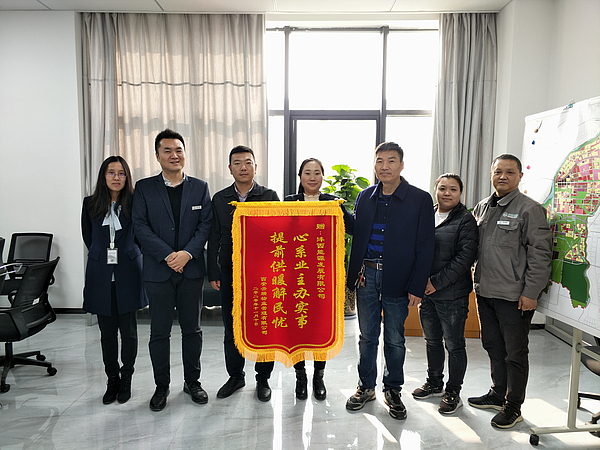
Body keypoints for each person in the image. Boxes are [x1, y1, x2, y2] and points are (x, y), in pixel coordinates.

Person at [345, 142, 435, 420]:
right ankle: (366, 387)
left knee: (395, 338)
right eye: (380, 161)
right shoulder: (365, 196)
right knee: (367, 337)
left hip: (399, 276)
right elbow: (358, 230)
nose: (384, 166)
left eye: (391, 161)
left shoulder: (419, 199)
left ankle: (392, 389)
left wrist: (417, 286)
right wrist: (335, 210)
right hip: (367, 275)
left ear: (402, 165)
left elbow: (426, 246)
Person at [468, 154, 552, 429]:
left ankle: (513, 406)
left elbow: (541, 255)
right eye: (498, 172)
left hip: (514, 296)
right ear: (491, 174)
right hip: (485, 291)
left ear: (519, 176)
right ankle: (497, 394)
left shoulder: (530, 209)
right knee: (492, 345)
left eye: (509, 172)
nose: (503, 176)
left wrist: (531, 292)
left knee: (515, 353)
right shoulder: (482, 207)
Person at [132, 129, 213, 411]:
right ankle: (161, 386)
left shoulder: (200, 187)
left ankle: (193, 382)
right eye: (167, 150)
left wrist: (187, 254)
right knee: (159, 332)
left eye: (178, 150)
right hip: (158, 271)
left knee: (193, 330)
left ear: (185, 154)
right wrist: (168, 255)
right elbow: (140, 226)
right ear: (157, 156)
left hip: (191, 271)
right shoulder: (144, 188)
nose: (174, 155)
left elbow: (205, 225)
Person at [207, 145, 279, 402]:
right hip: (229, 269)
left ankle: (263, 378)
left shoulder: (269, 196)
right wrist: (213, 270)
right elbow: (214, 236)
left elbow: (278, 234)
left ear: (255, 167)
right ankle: (236, 376)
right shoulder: (220, 198)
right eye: (237, 163)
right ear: (230, 169)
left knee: (264, 324)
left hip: (262, 272)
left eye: (248, 162)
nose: (243, 167)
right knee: (232, 324)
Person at [284, 157, 354, 401]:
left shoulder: (332, 201)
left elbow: (352, 227)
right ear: (300, 177)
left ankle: (319, 377)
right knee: (297, 326)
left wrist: (341, 209)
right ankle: (300, 376)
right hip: (295, 274)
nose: (312, 177)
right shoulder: (289, 201)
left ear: (322, 176)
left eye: (317, 172)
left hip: (324, 276)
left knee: (321, 326)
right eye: (307, 172)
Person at [82, 156, 148, 405]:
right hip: (100, 274)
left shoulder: (135, 202)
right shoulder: (90, 204)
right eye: (111, 172)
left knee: (128, 332)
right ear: (104, 176)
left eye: (121, 173)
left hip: (128, 272)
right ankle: (112, 379)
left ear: (127, 177)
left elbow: (141, 235)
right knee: (107, 334)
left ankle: (127, 378)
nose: (116, 177)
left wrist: (130, 252)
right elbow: (88, 237)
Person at [411, 173, 478, 414]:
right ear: (435, 189)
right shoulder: (426, 215)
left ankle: (453, 392)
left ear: (460, 193)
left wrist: (436, 283)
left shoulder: (465, 220)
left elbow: (464, 258)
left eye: (453, 189)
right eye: (442, 188)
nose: (446, 193)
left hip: (452, 295)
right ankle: (434, 383)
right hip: (427, 293)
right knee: (431, 341)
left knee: (454, 345)